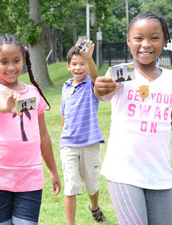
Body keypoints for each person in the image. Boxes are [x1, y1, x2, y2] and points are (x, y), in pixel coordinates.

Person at [94, 11, 172, 225]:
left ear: (164, 41)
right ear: (128, 41)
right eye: (138, 38)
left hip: (160, 176)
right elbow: (104, 91)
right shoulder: (120, 73)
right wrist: (100, 88)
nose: (146, 44)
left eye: (154, 37)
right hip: (124, 173)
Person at [0, 34, 61, 225]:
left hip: (30, 174)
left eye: (16, 61)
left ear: (24, 59)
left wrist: (53, 171)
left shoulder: (33, 92)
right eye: (4, 62)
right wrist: (3, 103)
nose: (11, 67)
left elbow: (43, 135)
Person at [60, 41, 106, 224]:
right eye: (75, 64)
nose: (78, 67)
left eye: (82, 63)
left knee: (92, 185)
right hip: (69, 144)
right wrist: (61, 143)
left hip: (90, 143)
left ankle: (94, 207)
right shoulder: (65, 88)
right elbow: (64, 116)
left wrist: (90, 58)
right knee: (70, 186)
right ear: (68, 66)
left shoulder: (90, 84)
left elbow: (96, 76)